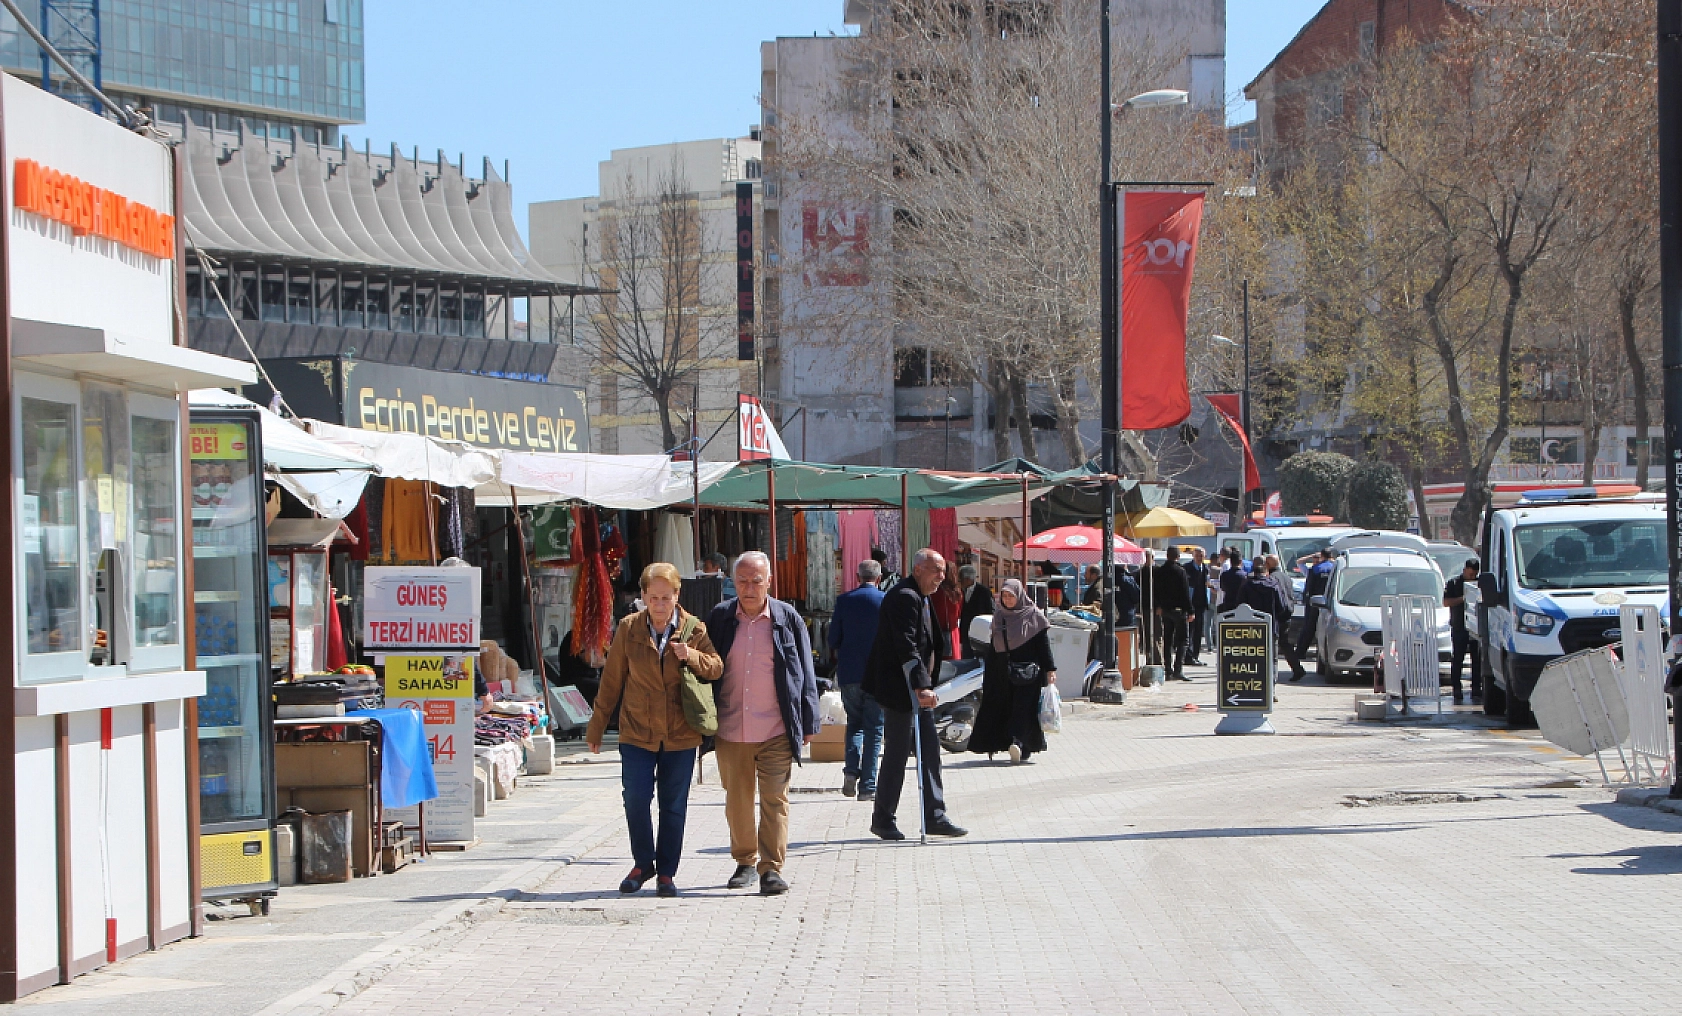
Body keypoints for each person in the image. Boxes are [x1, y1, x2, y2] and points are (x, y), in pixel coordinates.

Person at [586, 563, 723, 899]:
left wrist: (689, 654)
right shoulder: (629, 628)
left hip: (680, 732)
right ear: (644, 596)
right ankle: (642, 862)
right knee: (635, 799)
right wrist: (596, 726)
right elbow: (612, 681)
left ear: (677, 596)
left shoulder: (693, 629)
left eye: (667, 597)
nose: (660, 604)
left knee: (673, 805)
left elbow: (717, 667)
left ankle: (666, 873)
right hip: (637, 731)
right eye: (654, 597)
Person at [706, 551, 820, 896]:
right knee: (737, 800)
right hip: (731, 727)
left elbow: (805, 672)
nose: (750, 587)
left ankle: (771, 868)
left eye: (757, 580)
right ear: (733, 582)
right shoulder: (720, 618)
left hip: (776, 728)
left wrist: (809, 718)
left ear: (769, 582)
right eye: (742, 580)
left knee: (775, 798)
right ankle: (745, 861)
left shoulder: (788, 618)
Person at [863, 548, 967, 840]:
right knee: (897, 753)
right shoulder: (904, 597)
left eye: (944, 572)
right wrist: (921, 685)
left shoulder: (920, 597)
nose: (941, 577)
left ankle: (934, 815)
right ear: (919, 569)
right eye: (937, 571)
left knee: (930, 751)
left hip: (917, 690)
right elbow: (905, 645)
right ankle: (883, 818)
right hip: (903, 691)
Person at [969, 579, 1056, 763]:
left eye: (1011, 596)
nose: (1008, 600)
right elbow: (994, 646)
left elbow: (1043, 645)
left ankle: (1019, 742)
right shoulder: (999, 616)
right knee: (1003, 707)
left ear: (1020, 595)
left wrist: (1050, 669)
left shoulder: (1034, 616)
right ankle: (1007, 744)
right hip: (1003, 671)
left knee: (1024, 709)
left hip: (1028, 672)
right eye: (1004, 596)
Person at [829, 560, 886, 801]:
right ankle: (868, 787)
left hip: (850, 673)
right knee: (874, 730)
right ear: (879, 578)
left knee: (854, 724)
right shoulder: (885, 600)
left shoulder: (844, 601)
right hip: (877, 674)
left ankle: (851, 771)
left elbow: (833, 639)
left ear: (857, 576)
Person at [1240, 559, 1298, 683]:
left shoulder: (1246, 586)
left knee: (1253, 658)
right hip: (1271, 627)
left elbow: (1240, 606)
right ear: (1266, 573)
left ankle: (1254, 686)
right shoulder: (1274, 586)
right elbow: (1281, 607)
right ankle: (1271, 690)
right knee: (1272, 659)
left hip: (1252, 628)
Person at [1443, 558, 1482, 705]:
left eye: (1474, 575)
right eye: (1470, 574)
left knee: (1476, 660)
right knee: (1458, 658)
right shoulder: (1454, 583)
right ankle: (1456, 688)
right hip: (1459, 626)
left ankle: (1476, 688)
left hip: (1475, 628)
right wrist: (1464, 599)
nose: (1472, 577)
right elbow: (1446, 602)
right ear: (1464, 570)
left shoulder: (1479, 584)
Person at [1263, 555, 1307, 681]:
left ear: (1269, 564)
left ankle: (1295, 670)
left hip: (1279, 614)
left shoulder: (1273, 578)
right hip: (1287, 612)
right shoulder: (1285, 576)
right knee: (1285, 643)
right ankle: (1297, 669)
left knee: (1279, 644)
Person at [1154, 546, 1194, 680]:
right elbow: (1185, 592)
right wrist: (1190, 610)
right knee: (1183, 640)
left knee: (1167, 639)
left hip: (1165, 610)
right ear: (1178, 557)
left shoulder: (1160, 571)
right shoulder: (1180, 571)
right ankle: (1178, 669)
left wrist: (1158, 605)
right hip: (1178, 610)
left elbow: (1156, 590)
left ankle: (1168, 669)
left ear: (1167, 556)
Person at [1296, 549, 1336, 669]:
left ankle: (1300, 652)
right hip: (1332, 603)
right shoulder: (1336, 567)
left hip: (1315, 602)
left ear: (1322, 556)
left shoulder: (1316, 569)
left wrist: (1307, 601)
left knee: (1309, 627)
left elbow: (1309, 587)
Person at [957, 564, 994, 659]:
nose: (959, 581)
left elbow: (991, 611)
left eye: (961, 579)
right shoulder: (959, 591)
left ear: (968, 579)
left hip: (979, 633)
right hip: (965, 632)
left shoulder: (984, 592)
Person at [1184, 547, 1211, 666]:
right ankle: (1188, 656)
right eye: (1197, 556)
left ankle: (1195, 655)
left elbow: (1206, 585)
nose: (1199, 558)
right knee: (1190, 631)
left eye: (1201, 556)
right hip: (1191, 604)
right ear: (1193, 556)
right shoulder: (1187, 568)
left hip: (1201, 604)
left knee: (1198, 632)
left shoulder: (1205, 568)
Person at [930, 561, 963, 659]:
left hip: (939, 632)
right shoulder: (957, 592)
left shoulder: (937, 591)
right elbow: (958, 613)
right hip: (953, 632)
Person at [1217, 548, 1247, 615]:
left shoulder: (1224, 575)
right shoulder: (1245, 576)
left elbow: (1222, 588)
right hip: (1240, 606)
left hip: (1227, 605)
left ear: (1230, 561)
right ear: (1240, 561)